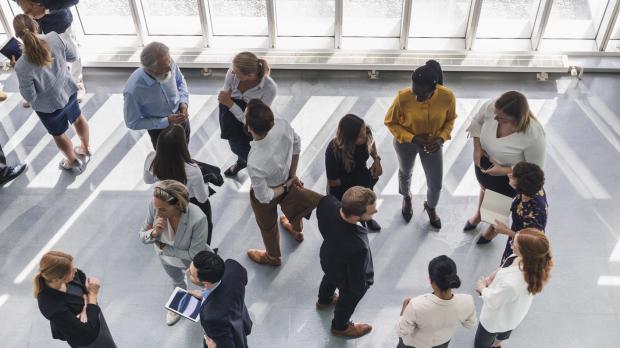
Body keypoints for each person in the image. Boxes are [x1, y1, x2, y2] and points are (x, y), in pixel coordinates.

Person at [245, 99, 323, 266]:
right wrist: (292, 176)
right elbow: (296, 144)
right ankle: (297, 231)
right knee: (296, 208)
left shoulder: (254, 161)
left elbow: (264, 197)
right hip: (288, 178)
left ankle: (273, 257)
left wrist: (286, 184)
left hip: (273, 189)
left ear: (249, 128)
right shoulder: (282, 125)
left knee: (267, 225)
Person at [463, 91, 546, 244]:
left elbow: (534, 169)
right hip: (485, 164)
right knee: (484, 189)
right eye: (496, 113)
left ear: (516, 119)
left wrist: (504, 170)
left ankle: (491, 231)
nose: (495, 118)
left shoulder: (533, 135)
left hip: (508, 178)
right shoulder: (494, 106)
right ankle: (480, 214)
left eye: (501, 118)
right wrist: (477, 148)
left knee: (497, 206)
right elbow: (478, 122)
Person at [13, 14, 90, 173]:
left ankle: (72, 161)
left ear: (16, 35)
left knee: (59, 134)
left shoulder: (21, 65)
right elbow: (72, 56)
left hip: (48, 107)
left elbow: (30, 97)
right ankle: (85, 148)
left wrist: (18, 68)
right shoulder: (54, 37)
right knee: (78, 118)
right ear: (35, 24)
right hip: (68, 91)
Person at [384, 60, 456, 228]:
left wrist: (440, 139)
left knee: (435, 183)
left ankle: (431, 207)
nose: (416, 97)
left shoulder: (447, 96)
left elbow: (450, 119)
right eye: (414, 91)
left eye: (421, 95)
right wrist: (413, 138)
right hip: (406, 143)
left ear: (434, 89)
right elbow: (390, 122)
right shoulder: (403, 97)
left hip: (433, 144)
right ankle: (406, 197)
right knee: (405, 171)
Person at [138, 180, 211, 326]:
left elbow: (194, 254)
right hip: (166, 259)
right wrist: (154, 232)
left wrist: (165, 248)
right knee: (177, 281)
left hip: (193, 261)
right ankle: (178, 306)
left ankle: (211, 306)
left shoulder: (198, 218)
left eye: (163, 209)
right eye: (156, 207)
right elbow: (142, 235)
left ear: (177, 205)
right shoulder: (155, 206)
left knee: (205, 284)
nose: (157, 213)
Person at [474, 228, 553, 348]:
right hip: (513, 312)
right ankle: (497, 345)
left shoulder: (512, 284)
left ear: (525, 252)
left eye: (514, 243)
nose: (511, 244)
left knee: (481, 343)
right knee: (506, 328)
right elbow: (505, 266)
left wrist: (482, 288)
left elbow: (493, 300)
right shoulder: (528, 261)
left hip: (495, 318)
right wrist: (491, 277)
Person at [315, 186, 376, 338]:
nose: (375, 212)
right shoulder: (358, 247)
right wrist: (358, 290)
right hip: (345, 271)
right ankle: (340, 327)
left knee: (329, 277)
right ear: (356, 217)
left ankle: (324, 300)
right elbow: (356, 281)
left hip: (328, 257)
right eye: (371, 211)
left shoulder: (327, 203)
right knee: (348, 299)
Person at [143, 125, 214, 245]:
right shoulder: (192, 170)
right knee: (204, 229)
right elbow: (202, 199)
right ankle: (203, 255)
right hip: (191, 203)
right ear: (182, 145)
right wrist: (205, 184)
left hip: (167, 200)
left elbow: (147, 180)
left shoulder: (151, 159)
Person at [34, 251, 116, 347]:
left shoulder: (71, 275)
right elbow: (86, 333)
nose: (76, 271)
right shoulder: (50, 305)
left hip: (94, 316)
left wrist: (85, 307)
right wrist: (92, 295)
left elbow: (82, 278)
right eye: (72, 271)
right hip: (88, 341)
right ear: (57, 279)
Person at [396, 255, 477, 348]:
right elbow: (471, 324)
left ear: (431, 281)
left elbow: (402, 332)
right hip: (443, 342)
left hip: (415, 345)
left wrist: (404, 312)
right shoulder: (468, 301)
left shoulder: (415, 305)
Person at [218, 51, 277, 177]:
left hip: (250, 121)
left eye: (236, 73)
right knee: (234, 146)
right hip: (230, 114)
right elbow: (224, 94)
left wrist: (229, 103)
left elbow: (254, 120)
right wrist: (227, 102)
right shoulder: (232, 72)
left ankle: (258, 174)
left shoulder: (269, 88)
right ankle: (242, 162)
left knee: (250, 151)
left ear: (250, 75)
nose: (231, 73)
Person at [15, 0, 85, 103]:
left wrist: (46, 9)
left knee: (72, 52)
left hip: (58, 22)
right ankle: (38, 88)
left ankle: (77, 81)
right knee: (37, 53)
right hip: (33, 25)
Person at [123, 41, 190, 150]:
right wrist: (166, 121)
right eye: (165, 67)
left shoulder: (168, 62)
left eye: (169, 62)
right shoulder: (133, 91)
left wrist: (184, 102)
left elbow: (180, 80)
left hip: (182, 118)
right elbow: (132, 122)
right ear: (151, 70)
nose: (170, 68)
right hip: (160, 131)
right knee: (167, 162)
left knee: (185, 149)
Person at [326, 114, 382, 231]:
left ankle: (366, 218)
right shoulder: (333, 151)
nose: (365, 136)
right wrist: (357, 178)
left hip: (362, 179)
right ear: (348, 139)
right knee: (347, 219)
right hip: (343, 188)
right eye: (360, 136)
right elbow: (332, 182)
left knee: (366, 202)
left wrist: (376, 159)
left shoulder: (365, 134)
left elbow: (371, 142)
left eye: (364, 132)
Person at [187, 251, 252, 348]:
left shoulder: (211, 317)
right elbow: (242, 280)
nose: (187, 272)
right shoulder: (233, 266)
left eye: (191, 274)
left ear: (205, 282)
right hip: (240, 320)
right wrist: (204, 294)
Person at [493, 162, 547, 265]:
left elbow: (530, 240)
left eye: (513, 177)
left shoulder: (533, 214)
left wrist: (505, 231)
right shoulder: (534, 187)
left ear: (521, 187)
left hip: (523, 247)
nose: (509, 174)